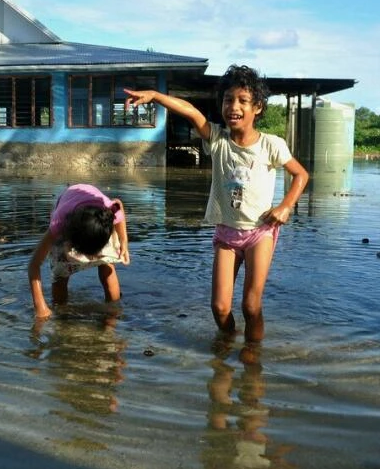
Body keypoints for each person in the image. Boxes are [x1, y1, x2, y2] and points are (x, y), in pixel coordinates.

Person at [124, 64, 309, 345]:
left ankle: (252, 354)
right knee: (220, 307)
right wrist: (156, 96)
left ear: (257, 107)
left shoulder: (271, 145)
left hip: (261, 231)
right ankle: (226, 343)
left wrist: (285, 206)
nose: (233, 106)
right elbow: (190, 112)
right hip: (227, 233)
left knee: (250, 305)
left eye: (243, 101)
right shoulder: (217, 139)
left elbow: (301, 174)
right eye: (228, 99)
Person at [28, 184, 130, 320]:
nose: (90, 258)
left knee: (107, 265)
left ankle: (113, 310)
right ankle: (62, 315)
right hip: (70, 222)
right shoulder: (59, 223)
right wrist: (40, 307)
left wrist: (124, 243)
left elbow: (118, 207)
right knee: (60, 274)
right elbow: (34, 264)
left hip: (94, 221)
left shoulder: (107, 213)